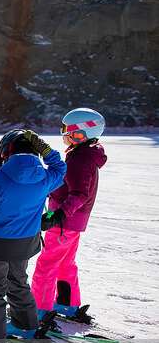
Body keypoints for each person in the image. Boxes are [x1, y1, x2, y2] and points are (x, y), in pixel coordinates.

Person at [0, 129, 66, 343]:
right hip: (26, 243)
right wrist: (47, 150)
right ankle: (26, 325)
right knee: (18, 281)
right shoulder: (45, 176)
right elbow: (61, 168)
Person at [31, 108, 107, 324]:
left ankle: (39, 309)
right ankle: (67, 302)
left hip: (65, 222)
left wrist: (58, 215)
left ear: (81, 133)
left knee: (47, 263)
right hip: (74, 223)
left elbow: (79, 193)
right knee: (65, 263)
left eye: (66, 130)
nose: (63, 135)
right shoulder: (85, 155)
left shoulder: (79, 159)